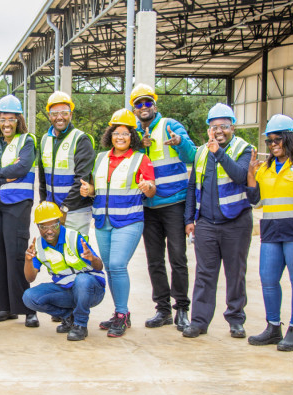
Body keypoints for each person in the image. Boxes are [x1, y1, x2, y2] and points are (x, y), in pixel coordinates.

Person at [80, 108, 155, 338]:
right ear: (110, 135)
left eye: (125, 133)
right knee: (110, 267)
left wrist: (147, 187)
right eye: (116, 133)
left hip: (129, 221)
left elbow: (151, 190)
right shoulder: (101, 158)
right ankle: (120, 313)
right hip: (103, 221)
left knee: (118, 265)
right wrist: (89, 190)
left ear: (132, 136)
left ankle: (121, 313)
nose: (120, 137)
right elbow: (97, 189)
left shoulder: (141, 159)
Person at [183, 103, 253, 339]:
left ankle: (236, 320)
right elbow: (192, 186)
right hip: (206, 223)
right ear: (208, 129)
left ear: (233, 127)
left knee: (235, 274)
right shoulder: (201, 152)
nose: (219, 131)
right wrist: (189, 219)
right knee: (204, 274)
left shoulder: (244, 149)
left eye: (224, 126)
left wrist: (219, 153)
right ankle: (199, 321)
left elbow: (241, 176)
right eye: (214, 127)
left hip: (236, 222)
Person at [246, 115, 293, 351]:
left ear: (290, 138)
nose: (273, 144)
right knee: (268, 280)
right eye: (270, 141)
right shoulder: (264, 169)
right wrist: (251, 176)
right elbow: (256, 203)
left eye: (278, 139)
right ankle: (273, 327)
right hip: (271, 231)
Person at [131, 83, 196, 331]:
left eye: (148, 102)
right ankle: (163, 309)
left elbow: (191, 156)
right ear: (134, 109)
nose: (144, 107)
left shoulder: (171, 125)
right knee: (155, 261)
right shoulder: (133, 134)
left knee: (178, 258)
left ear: (155, 106)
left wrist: (179, 142)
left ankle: (182, 308)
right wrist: (139, 146)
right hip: (148, 206)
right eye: (139, 104)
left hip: (174, 203)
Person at [0, 95, 38, 327]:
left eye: (11, 119)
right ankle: (4, 307)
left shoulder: (27, 141)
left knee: (16, 254)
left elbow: (21, 168)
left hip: (17, 203)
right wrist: (2, 177)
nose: (6, 124)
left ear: (18, 120)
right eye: (2, 119)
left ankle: (27, 308)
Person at [22, 202, 106, 341]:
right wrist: (28, 261)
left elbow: (99, 267)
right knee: (29, 297)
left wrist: (92, 258)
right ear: (38, 227)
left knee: (82, 279)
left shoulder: (74, 237)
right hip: (66, 290)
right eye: (44, 227)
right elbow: (30, 278)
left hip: (92, 290)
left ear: (59, 223)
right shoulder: (38, 246)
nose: (49, 231)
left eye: (53, 226)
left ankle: (80, 325)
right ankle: (68, 317)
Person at [38, 91, 95, 237]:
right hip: (52, 212)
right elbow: (42, 178)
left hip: (76, 212)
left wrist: (65, 208)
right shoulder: (45, 140)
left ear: (71, 114)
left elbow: (81, 178)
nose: (59, 117)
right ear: (49, 116)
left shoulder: (80, 139)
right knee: (53, 251)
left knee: (76, 249)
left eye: (64, 112)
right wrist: (43, 203)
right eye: (54, 113)